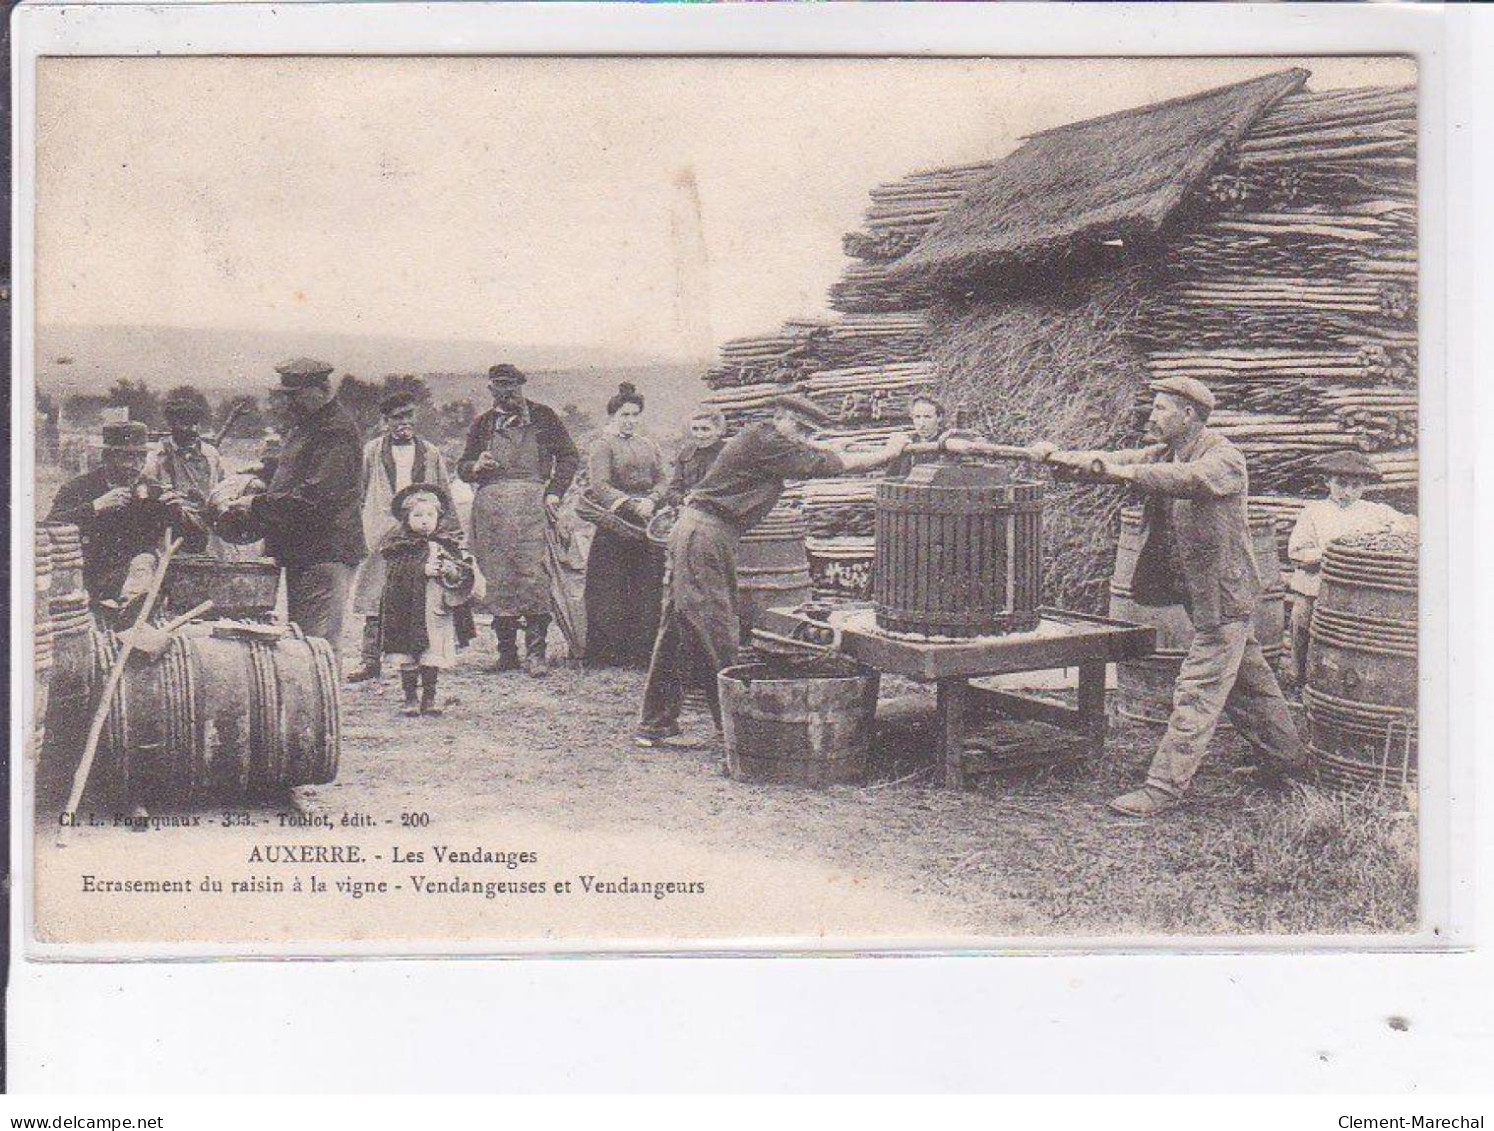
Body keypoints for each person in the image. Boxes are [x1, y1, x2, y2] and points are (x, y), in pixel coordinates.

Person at [1043, 376, 1305, 818]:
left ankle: (1163, 787)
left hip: (1226, 596)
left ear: (1188, 415)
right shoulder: (1166, 451)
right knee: (1250, 685)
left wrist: (1124, 472)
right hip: (1203, 596)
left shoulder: (1223, 458)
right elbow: (1114, 461)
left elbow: (1190, 481)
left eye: (1161, 409)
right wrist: (1060, 458)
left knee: (1196, 691)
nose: (1152, 415)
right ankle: (1291, 762)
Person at [635, 393, 909, 748]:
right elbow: (831, 464)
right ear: (786, 422)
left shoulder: (763, 438)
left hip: (703, 533)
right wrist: (889, 452)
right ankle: (738, 729)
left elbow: (819, 453)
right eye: (804, 433)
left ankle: (655, 724)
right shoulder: (766, 442)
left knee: (679, 626)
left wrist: (846, 445)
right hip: (705, 534)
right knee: (716, 628)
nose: (805, 441)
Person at [221, 358, 365, 646]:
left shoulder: (335, 431)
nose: (289, 403)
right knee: (304, 643)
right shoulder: (309, 425)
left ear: (321, 389)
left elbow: (316, 498)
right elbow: (295, 471)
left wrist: (256, 504)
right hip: (305, 553)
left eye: (295, 395)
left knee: (316, 647)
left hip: (326, 553)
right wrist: (262, 474)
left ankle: (325, 693)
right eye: (287, 396)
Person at [457, 363, 579, 677]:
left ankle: (536, 654)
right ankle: (506, 653)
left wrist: (554, 492)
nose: (507, 391)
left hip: (533, 507)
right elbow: (462, 467)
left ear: (521, 385)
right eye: (500, 386)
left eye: (512, 385)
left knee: (534, 577)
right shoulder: (482, 425)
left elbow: (568, 456)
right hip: (492, 511)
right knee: (498, 579)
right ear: (491, 390)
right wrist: (475, 466)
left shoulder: (544, 417)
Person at [346, 391, 454, 683]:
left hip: (421, 531)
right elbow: (357, 491)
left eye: (408, 416)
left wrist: (445, 532)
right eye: (396, 417)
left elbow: (443, 493)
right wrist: (357, 529)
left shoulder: (430, 452)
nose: (403, 423)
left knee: (420, 592)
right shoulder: (371, 451)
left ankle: (421, 659)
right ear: (385, 421)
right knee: (376, 594)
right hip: (381, 532)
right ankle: (370, 660)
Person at [1286, 450, 1415, 688]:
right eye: (1341, 484)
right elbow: (1296, 553)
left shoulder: (1375, 511)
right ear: (1327, 481)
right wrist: (1331, 554)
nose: (1347, 492)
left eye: (1355, 486)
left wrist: (1387, 534)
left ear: (1364, 486)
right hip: (1316, 586)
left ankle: (1341, 683)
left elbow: (1410, 525)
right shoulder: (1314, 511)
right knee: (1302, 623)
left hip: (1355, 591)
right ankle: (1298, 677)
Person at [46, 420, 204, 605]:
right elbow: (48, 531)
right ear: (107, 457)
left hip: (137, 586)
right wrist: (94, 507)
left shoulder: (152, 490)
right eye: (128, 457)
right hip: (85, 583)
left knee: (144, 561)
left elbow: (198, 544)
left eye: (141, 458)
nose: (136, 465)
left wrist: (179, 514)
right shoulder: (79, 488)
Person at [582, 383, 670, 668]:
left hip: (648, 522)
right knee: (610, 587)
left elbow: (662, 480)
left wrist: (653, 500)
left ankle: (641, 653)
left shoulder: (648, 445)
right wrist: (630, 504)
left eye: (635, 414)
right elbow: (599, 485)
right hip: (615, 522)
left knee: (646, 586)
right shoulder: (602, 445)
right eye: (624, 415)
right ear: (613, 416)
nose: (630, 420)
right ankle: (607, 654)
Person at [378, 485, 481, 717]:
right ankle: (410, 697)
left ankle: (430, 697)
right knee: (408, 652)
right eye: (418, 515)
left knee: (432, 651)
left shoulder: (445, 545)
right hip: (407, 608)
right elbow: (394, 574)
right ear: (407, 518)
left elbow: (461, 575)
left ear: (438, 517)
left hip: (435, 609)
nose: (425, 521)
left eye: (430, 515)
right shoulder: (399, 546)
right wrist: (421, 569)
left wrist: (451, 570)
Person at [143, 390, 224, 556]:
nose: (190, 429)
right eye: (184, 423)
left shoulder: (210, 454)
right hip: (173, 527)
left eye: (193, 423)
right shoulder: (157, 455)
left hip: (206, 526)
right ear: (172, 425)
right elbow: (149, 491)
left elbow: (220, 486)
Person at [662, 409, 728, 506]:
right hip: (688, 508)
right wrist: (682, 500)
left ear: (719, 430)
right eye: (695, 429)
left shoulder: (728, 453)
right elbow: (672, 490)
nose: (699, 435)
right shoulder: (686, 454)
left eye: (705, 429)